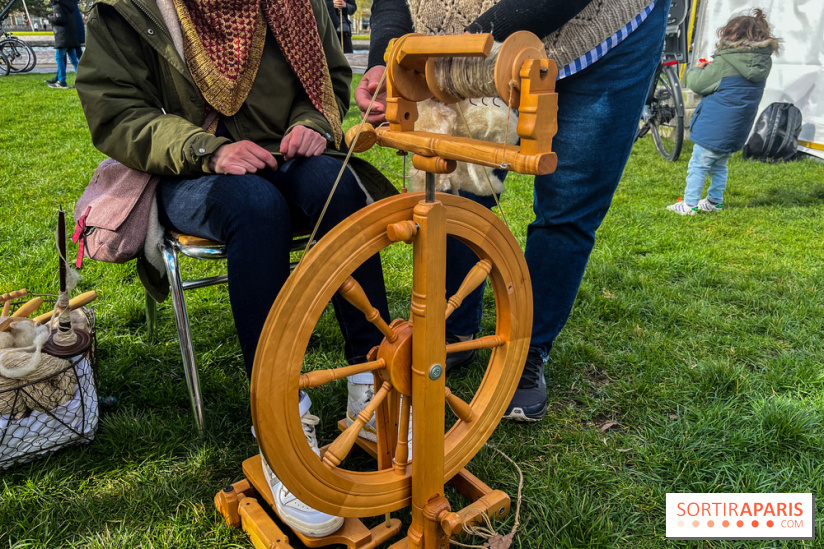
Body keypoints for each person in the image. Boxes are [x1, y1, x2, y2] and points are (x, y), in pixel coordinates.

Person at [76, 0, 396, 538]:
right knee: (255, 207)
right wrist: (207, 148)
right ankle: (279, 422)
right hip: (190, 166)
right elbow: (116, 111)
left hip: (291, 154)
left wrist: (313, 122)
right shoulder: (131, 8)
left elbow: (331, 79)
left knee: (337, 189)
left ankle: (374, 383)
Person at [356, 0, 671, 421]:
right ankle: (456, 328)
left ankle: (526, 349)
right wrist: (386, 57)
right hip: (473, 38)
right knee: (462, 183)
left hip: (604, 28)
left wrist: (461, 52)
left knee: (569, 201)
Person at [667, 9, 779, 215]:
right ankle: (714, 201)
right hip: (737, 130)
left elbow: (698, 84)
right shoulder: (763, 62)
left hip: (714, 129)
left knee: (698, 166)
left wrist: (699, 69)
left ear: (731, 35)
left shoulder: (724, 62)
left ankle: (689, 204)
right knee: (719, 165)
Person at [45, 0, 80, 88]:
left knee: (59, 57)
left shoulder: (57, 6)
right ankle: (81, 80)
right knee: (73, 59)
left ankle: (61, 80)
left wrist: (50, 18)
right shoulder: (69, 5)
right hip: (70, 35)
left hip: (62, 36)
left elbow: (60, 19)